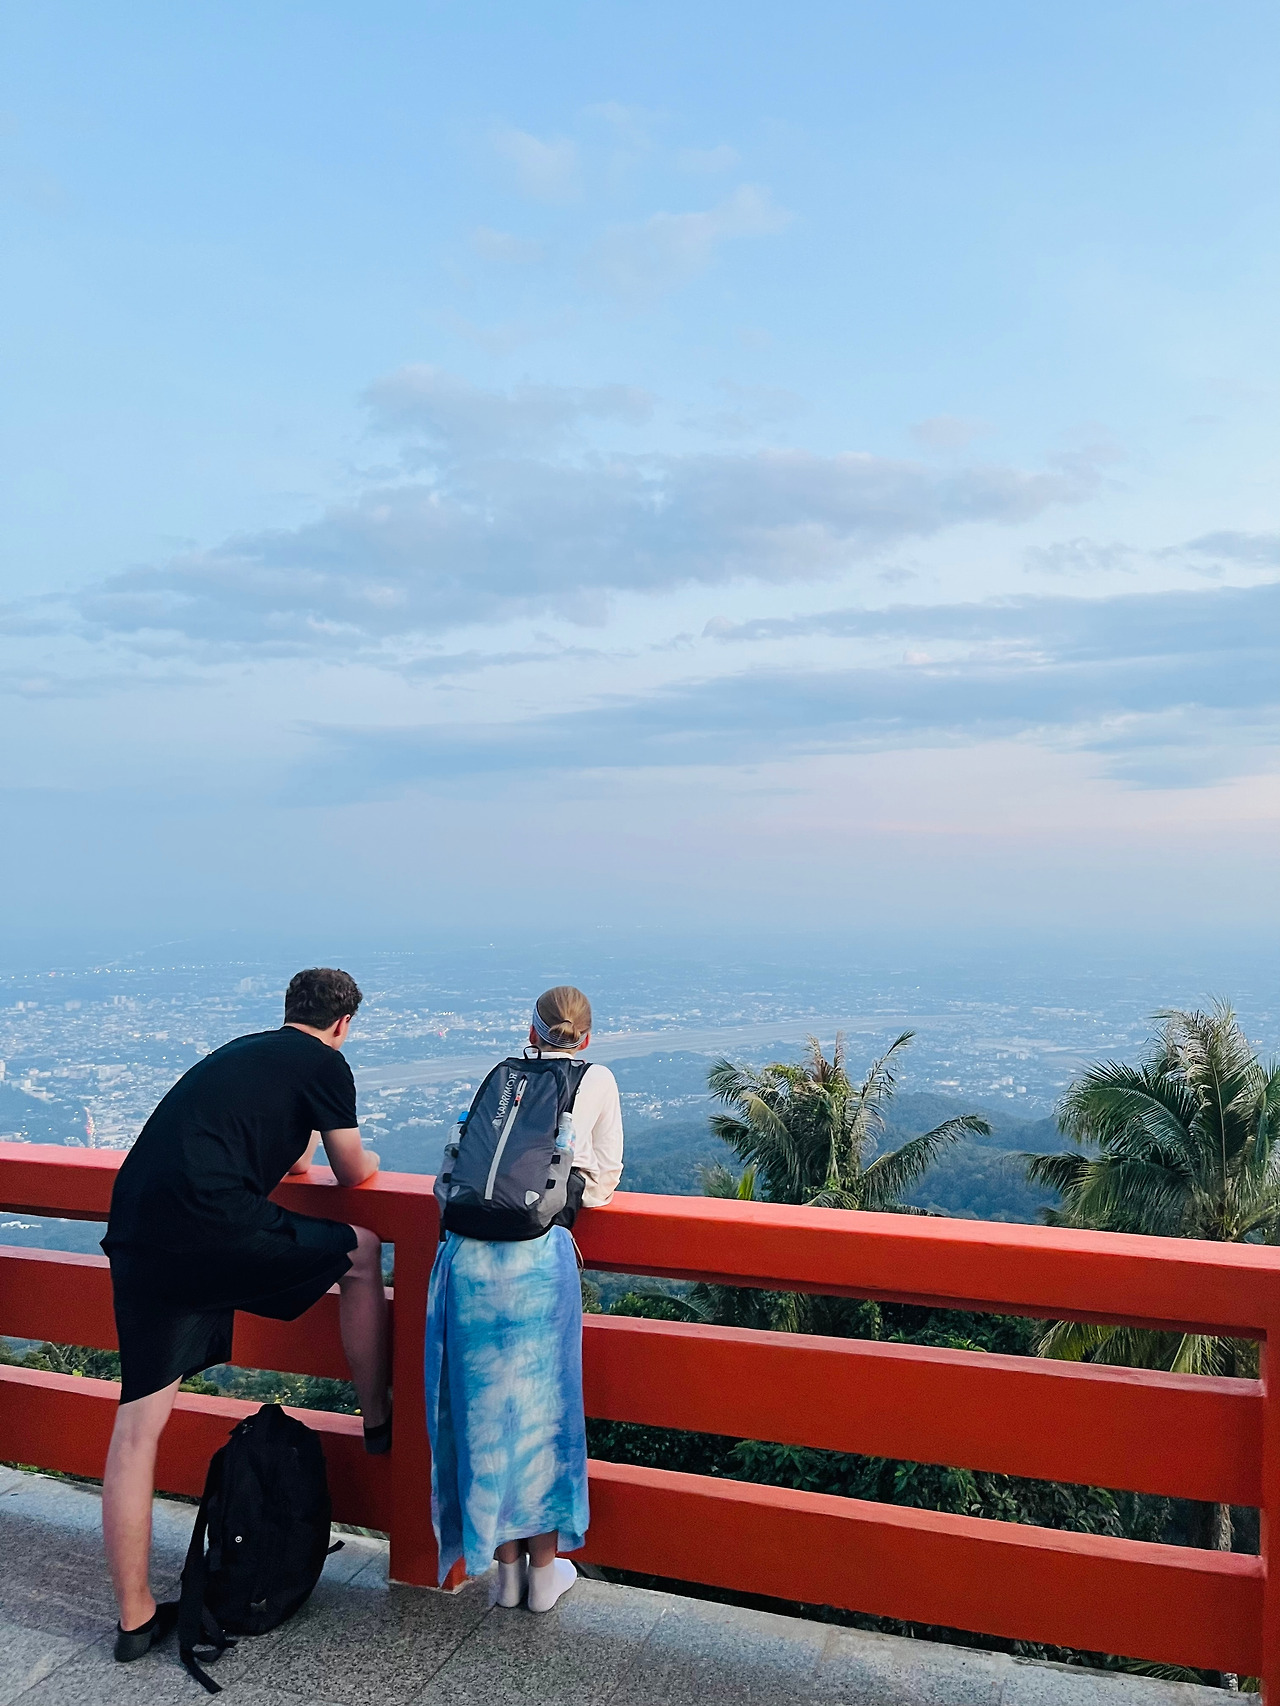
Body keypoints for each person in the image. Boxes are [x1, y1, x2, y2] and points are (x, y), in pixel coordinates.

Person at [99, 967, 391, 1663]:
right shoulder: (326, 1061)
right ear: (344, 1024)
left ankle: (134, 1618)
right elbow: (351, 1173)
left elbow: (288, 1163)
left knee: (137, 1428)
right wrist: (363, 1149)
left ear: (287, 1010)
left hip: (139, 1229)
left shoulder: (244, 1052)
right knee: (363, 1252)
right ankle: (377, 1414)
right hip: (214, 1223)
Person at [425, 984, 623, 1612]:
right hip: (536, 1264)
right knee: (543, 1418)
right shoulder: (596, 1080)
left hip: (466, 1262)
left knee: (484, 1417)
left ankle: (503, 1569)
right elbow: (602, 1188)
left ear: (530, 1031)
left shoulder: (501, 1076)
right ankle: (544, 1572)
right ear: (585, 1038)